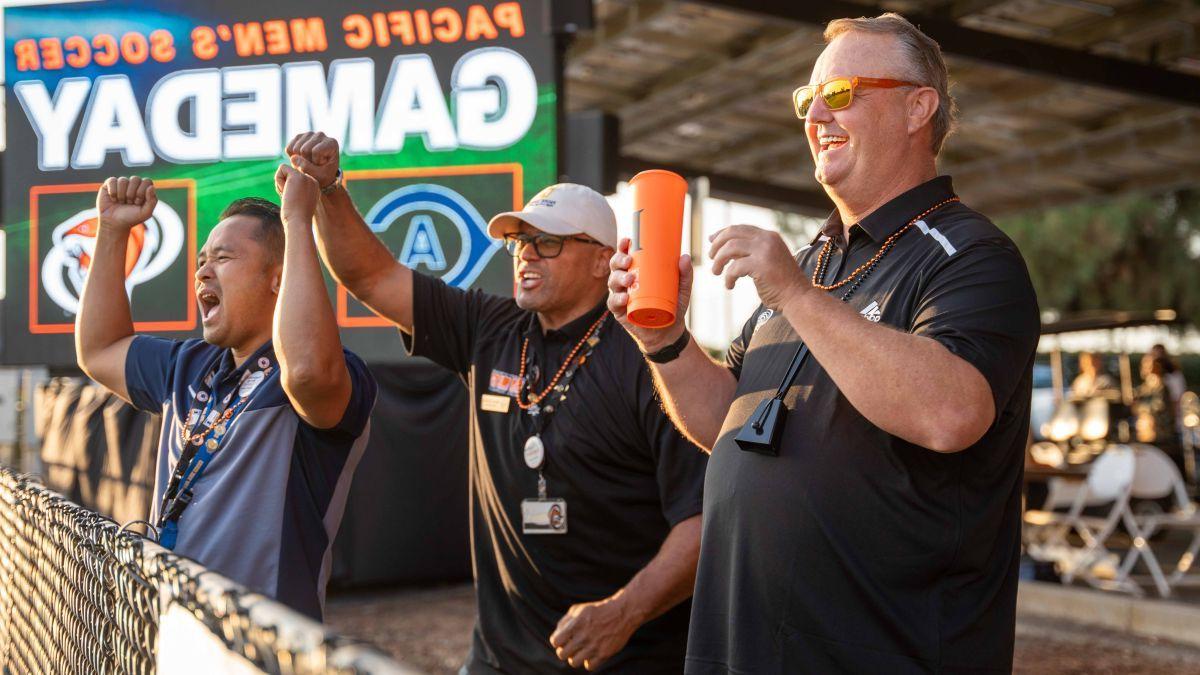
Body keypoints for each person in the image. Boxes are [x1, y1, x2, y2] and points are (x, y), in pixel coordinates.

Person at [609, 13, 1039, 673]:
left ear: (917, 107)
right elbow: (727, 419)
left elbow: (951, 412)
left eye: (839, 94)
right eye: (807, 101)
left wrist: (798, 298)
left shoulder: (971, 255)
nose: (816, 115)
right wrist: (663, 340)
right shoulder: (810, 261)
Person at [287, 131, 708, 672]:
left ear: (604, 261)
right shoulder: (491, 327)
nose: (527, 253)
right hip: (497, 660)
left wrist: (623, 612)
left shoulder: (653, 361)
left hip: (625, 658)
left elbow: (702, 519)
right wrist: (329, 191)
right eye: (520, 241)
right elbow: (369, 276)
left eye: (548, 242)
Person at [75, 170, 377, 620]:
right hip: (176, 626)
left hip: (263, 647)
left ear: (279, 278)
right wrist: (114, 232)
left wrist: (297, 222)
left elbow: (311, 373)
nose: (202, 270)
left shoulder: (321, 373)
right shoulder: (191, 365)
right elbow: (99, 350)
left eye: (222, 257)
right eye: (201, 259)